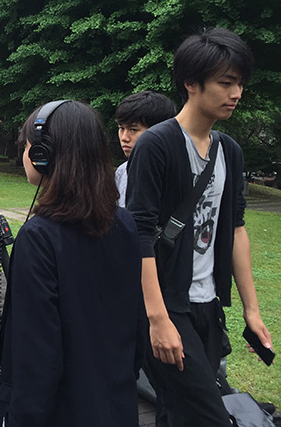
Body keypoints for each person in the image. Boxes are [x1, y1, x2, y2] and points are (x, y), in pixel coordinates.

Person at [126, 27, 274, 426]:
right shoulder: (155, 145)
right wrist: (157, 320)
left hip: (208, 303)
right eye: (226, 83)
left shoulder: (230, 150)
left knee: (176, 412)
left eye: (239, 83)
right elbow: (138, 234)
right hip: (165, 304)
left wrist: (252, 309)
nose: (236, 93)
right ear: (191, 83)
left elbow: (237, 230)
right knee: (209, 415)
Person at [0, 100, 144, 426]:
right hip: (116, 406)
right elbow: (136, 327)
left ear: (43, 155)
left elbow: (36, 357)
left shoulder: (38, 238)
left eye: (27, 146)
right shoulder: (125, 224)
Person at [115, 91, 177, 207]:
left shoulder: (178, 172)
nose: (124, 138)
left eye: (133, 130)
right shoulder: (122, 171)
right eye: (121, 128)